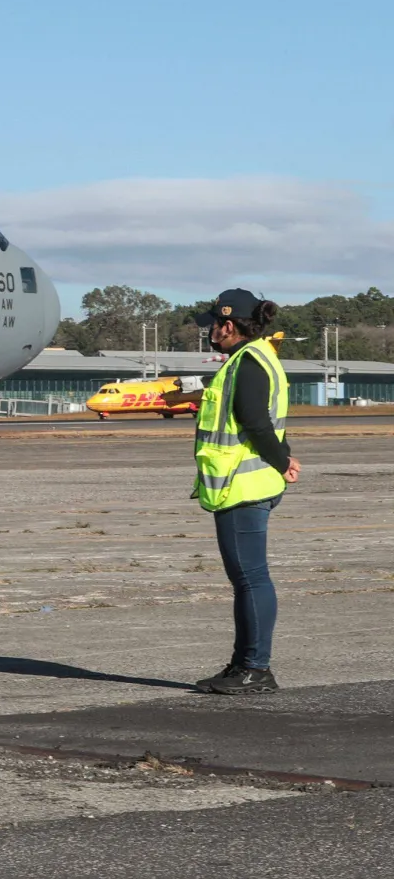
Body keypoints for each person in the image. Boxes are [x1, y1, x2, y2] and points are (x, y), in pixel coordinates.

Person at [166, 289, 298, 695]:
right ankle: (244, 664)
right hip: (248, 483)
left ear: (229, 324)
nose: (207, 331)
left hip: (243, 486)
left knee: (251, 579)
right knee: (248, 579)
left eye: (212, 325)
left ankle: (255, 668)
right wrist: (284, 457)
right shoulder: (255, 358)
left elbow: (256, 422)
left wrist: (282, 462)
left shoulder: (249, 363)